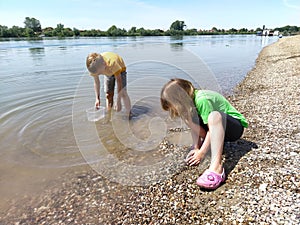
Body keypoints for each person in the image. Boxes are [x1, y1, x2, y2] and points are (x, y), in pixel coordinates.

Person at [160, 78, 248, 190]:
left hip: (234, 128)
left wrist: (202, 153)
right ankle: (204, 146)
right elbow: (195, 126)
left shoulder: (202, 99)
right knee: (188, 117)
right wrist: (196, 147)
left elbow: (212, 130)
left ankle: (217, 168)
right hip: (218, 130)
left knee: (214, 116)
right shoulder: (190, 103)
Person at [86, 52, 132, 117]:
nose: (98, 75)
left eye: (100, 73)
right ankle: (109, 116)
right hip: (107, 72)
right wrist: (97, 98)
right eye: (98, 74)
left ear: (104, 64)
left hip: (120, 70)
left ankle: (129, 114)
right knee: (108, 94)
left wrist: (118, 101)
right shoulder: (94, 69)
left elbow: (119, 82)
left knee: (123, 93)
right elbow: (96, 82)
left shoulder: (113, 63)